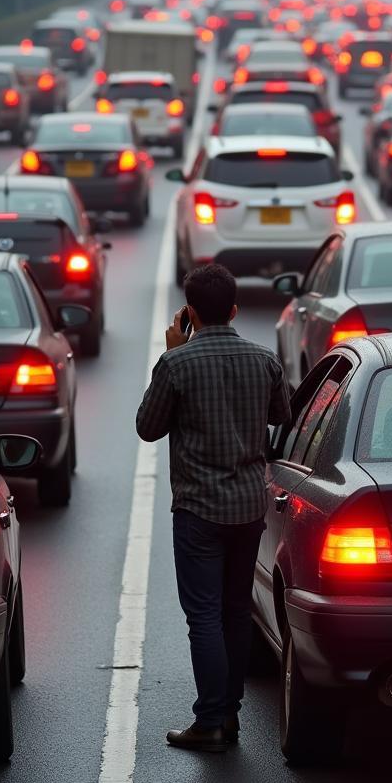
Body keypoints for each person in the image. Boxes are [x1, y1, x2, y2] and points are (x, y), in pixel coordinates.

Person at [136, 263, 291, 753]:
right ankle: (232, 715)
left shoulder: (176, 365)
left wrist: (170, 353)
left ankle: (211, 720)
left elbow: (148, 426)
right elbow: (282, 416)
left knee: (202, 616)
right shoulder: (263, 359)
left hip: (199, 509)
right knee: (234, 610)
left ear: (189, 314)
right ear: (235, 309)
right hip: (248, 507)